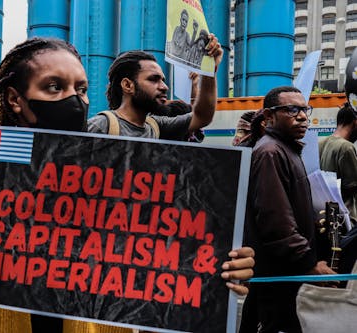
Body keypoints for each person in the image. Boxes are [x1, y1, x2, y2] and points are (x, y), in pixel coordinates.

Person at [0, 37, 254, 333]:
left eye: (80, 89)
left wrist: (214, 270)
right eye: (55, 87)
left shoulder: (115, 180)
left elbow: (146, 269)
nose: (74, 100)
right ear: (14, 99)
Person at [242, 86, 336, 333]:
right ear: (268, 116)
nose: (303, 116)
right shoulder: (270, 152)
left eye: (305, 109)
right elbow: (276, 222)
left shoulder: (286, 149)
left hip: (284, 273)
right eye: (292, 109)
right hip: (278, 275)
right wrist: (308, 263)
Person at [88, 33, 222, 142]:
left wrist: (210, 70)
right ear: (128, 85)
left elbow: (203, 116)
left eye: (163, 80)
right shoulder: (100, 127)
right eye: (153, 79)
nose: (164, 87)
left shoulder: (156, 127)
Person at [319, 102, 357, 225]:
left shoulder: (321, 143)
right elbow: (352, 186)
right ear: (355, 122)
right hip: (346, 220)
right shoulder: (346, 147)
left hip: (326, 216)